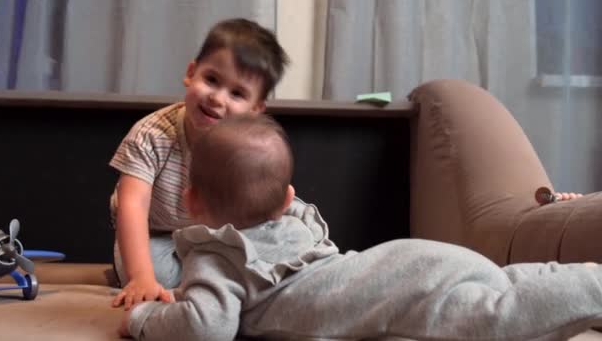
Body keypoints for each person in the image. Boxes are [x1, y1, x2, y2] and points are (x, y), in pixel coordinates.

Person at [119, 115, 602, 340]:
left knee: (500, 310)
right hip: (401, 261)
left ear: (190, 202)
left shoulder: (218, 254)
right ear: (289, 199)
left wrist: (142, 322)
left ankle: (594, 286)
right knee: (509, 281)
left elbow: (206, 328)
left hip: (402, 295)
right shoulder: (296, 221)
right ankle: (584, 275)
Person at [108, 18, 289, 309]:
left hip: (216, 237)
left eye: (237, 94)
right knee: (157, 270)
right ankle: (201, 288)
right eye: (212, 80)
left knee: (278, 230)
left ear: (255, 109)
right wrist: (141, 277)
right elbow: (133, 206)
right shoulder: (151, 134)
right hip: (157, 237)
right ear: (191, 73)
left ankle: (226, 285)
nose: (217, 98)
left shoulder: (249, 148)